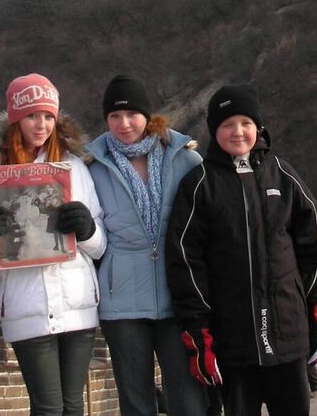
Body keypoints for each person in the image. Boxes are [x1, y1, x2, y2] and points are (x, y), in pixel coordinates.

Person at [166, 85, 317, 416]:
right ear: (215, 131)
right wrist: (199, 335)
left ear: (258, 127)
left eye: (245, 122)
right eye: (227, 124)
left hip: (287, 334)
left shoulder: (283, 175)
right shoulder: (199, 184)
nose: (237, 132)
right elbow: (186, 263)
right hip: (232, 341)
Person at [0, 74, 106, 416]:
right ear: (16, 120)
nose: (41, 124)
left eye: (48, 116)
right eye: (31, 115)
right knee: (47, 407)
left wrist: (87, 229)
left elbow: (100, 246)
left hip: (77, 303)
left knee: (73, 406)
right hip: (25, 305)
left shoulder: (74, 169)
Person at [86, 75, 206, 416]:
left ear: (148, 115)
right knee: (136, 400)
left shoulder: (184, 160)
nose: (124, 124)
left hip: (176, 294)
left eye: (132, 114)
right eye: (114, 116)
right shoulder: (93, 168)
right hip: (121, 301)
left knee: (187, 397)